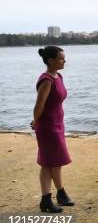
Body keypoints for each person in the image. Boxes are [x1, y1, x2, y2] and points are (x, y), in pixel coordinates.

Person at [31, 46, 74, 213]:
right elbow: (39, 106)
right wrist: (36, 122)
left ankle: (60, 195)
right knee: (49, 163)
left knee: (54, 162)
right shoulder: (46, 80)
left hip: (57, 124)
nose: (65, 61)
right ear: (50, 60)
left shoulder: (58, 76)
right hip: (48, 127)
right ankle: (47, 199)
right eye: (61, 58)